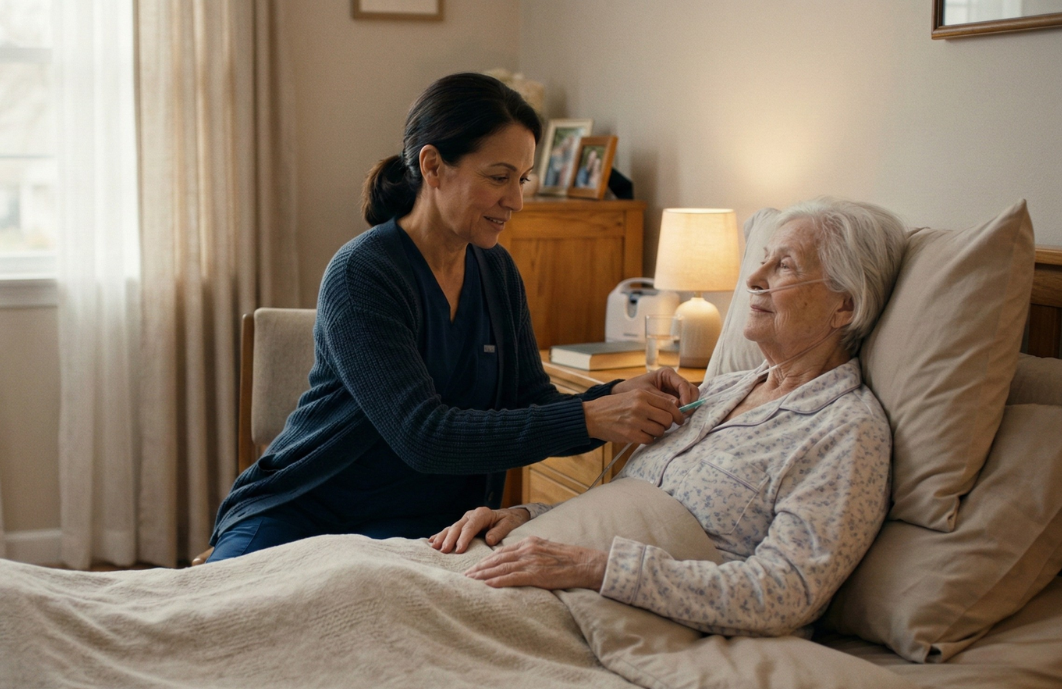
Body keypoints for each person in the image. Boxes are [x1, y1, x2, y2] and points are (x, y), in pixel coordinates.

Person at [199, 73, 697, 563]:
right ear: (433, 166)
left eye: (521, 180)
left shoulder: (497, 271)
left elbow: (531, 402)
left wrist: (617, 397)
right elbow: (424, 436)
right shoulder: (363, 274)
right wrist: (589, 416)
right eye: (499, 178)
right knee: (222, 623)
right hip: (302, 510)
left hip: (423, 531)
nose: (517, 201)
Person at [433, 198, 907, 637]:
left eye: (783, 265)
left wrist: (593, 567)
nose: (753, 278)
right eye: (761, 259)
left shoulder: (845, 432)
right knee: (366, 571)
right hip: (541, 569)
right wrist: (521, 517)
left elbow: (783, 595)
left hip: (613, 615)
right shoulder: (716, 391)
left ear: (844, 304)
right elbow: (621, 517)